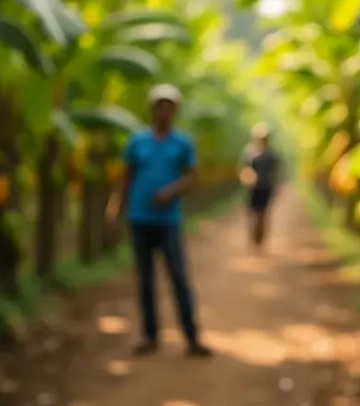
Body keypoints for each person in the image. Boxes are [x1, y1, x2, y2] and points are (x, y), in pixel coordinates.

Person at [106, 83, 212, 358]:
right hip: (140, 219)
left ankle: (191, 337)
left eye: (169, 105)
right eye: (159, 105)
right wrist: (115, 210)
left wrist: (172, 191)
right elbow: (126, 178)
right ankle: (150, 336)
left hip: (168, 221)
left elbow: (192, 176)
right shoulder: (137, 142)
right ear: (152, 109)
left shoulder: (182, 143)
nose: (164, 110)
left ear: (175, 110)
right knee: (145, 280)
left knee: (178, 277)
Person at [238, 122, 281, 248]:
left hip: (266, 187)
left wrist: (277, 186)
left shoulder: (271, 154)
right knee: (252, 213)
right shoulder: (249, 152)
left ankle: (260, 238)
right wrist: (247, 177)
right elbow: (242, 169)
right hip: (253, 188)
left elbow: (275, 172)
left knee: (262, 213)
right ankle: (253, 237)